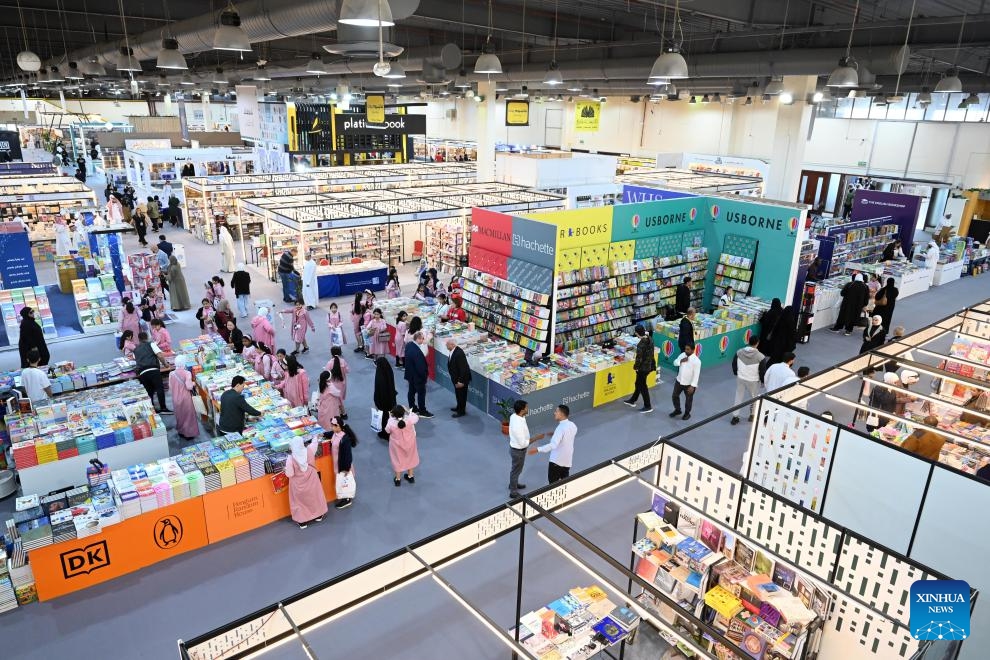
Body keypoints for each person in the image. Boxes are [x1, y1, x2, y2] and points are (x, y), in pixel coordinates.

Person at [284, 435, 328, 529]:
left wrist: (285, 470)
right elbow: (314, 444)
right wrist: (315, 437)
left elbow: (290, 474)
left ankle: (302, 521)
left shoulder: (290, 459)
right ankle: (318, 515)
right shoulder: (309, 450)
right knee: (315, 497)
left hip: (298, 484)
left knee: (299, 502)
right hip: (312, 480)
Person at [529, 405, 577, 484]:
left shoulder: (560, 428)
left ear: (561, 414)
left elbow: (553, 445)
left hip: (556, 462)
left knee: (552, 486)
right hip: (567, 461)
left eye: (556, 411)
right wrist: (555, 434)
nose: (554, 413)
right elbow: (568, 435)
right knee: (565, 483)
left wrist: (537, 449)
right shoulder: (573, 425)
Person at [508, 400, 545, 498]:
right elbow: (523, 443)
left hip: (517, 450)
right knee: (516, 470)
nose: (528, 409)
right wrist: (537, 437)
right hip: (518, 451)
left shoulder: (515, 416)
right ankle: (513, 492)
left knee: (516, 469)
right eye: (526, 407)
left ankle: (513, 484)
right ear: (522, 410)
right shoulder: (517, 426)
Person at [133, 332, 171, 414]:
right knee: (159, 388)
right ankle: (163, 408)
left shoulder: (135, 349)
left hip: (142, 372)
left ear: (139, 339)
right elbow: (160, 355)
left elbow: (136, 360)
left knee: (149, 391)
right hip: (153, 369)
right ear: (146, 338)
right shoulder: (151, 344)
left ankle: (152, 409)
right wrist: (166, 364)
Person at [730, 335, 764, 425]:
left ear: (748, 341)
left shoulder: (739, 352)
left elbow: (733, 364)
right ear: (757, 343)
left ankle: (735, 416)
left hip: (741, 378)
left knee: (738, 397)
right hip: (753, 381)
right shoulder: (761, 357)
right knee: (754, 398)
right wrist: (762, 381)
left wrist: (736, 373)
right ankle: (752, 415)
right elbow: (762, 371)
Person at [624, 324, 657, 413]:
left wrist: (636, 367)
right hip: (649, 365)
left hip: (643, 368)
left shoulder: (641, 344)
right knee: (638, 383)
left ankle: (648, 406)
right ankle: (632, 400)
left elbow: (639, 358)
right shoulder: (650, 338)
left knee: (642, 385)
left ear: (636, 333)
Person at [385, 405, 420, 486]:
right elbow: (416, 416)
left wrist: (390, 417)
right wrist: (408, 411)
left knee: (397, 459)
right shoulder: (410, 420)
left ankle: (398, 479)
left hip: (396, 445)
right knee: (410, 457)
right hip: (410, 443)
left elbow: (387, 431)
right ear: (403, 413)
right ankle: (410, 476)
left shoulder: (391, 422)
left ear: (393, 414)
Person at [327, 418, 356, 509]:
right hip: (337, 463)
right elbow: (331, 434)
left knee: (345, 481)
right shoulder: (335, 434)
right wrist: (322, 434)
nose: (331, 427)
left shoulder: (344, 439)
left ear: (338, 426)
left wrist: (346, 468)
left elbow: (348, 455)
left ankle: (347, 499)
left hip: (343, 465)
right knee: (341, 481)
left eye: (333, 426)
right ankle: (344, 497)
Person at [169, 355, 200, 441]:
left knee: (180, 415)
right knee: (188, 416)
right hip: (185, 398)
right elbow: (189, 387)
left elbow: (170, 387)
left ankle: (181, 431)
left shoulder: (171, 374)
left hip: (175, 398)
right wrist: (193, 383)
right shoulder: (187, 373)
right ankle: (189, 434)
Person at [403, 332, 433, 417]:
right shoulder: (416, 351)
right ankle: (422, 411)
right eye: (422, 338)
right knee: (421, 393)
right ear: (418, 339)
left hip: (410, 374)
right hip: (418, 377)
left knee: (411, 392)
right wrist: (424, 377)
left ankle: (413, 408)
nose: (423, 340)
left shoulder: (409, 345)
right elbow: (420, 367)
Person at [670, 343, 700, 421]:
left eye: (688, 349)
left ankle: (687, 413)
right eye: (685, 349)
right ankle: (678, 410)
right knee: (674, 396)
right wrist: (681, 361)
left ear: (693, 350)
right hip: (679, 381)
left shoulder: (697, 361)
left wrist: (693, 386)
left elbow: (696, 375)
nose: (686, 351)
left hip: (689, 384)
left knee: (688, 400)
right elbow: (674, 363)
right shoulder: (682, 355)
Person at [373, 357, 397, 440]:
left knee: (384, 418)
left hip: (383, 402)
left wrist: (377, 402)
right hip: (391, 399)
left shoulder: (379, 376)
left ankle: (385, 433)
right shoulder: (389, 371)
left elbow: (378, 391)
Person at [446, 338, 472, 417]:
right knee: (458, 394)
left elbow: (463, 369)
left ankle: (461, 411)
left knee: (462, 395)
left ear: (452, 345)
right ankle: (458, 407)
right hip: (456, 378)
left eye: (447, 344)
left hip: (461, 379)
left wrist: (460, 381)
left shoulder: (459, 353)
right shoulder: (453, 351)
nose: (446, 345)